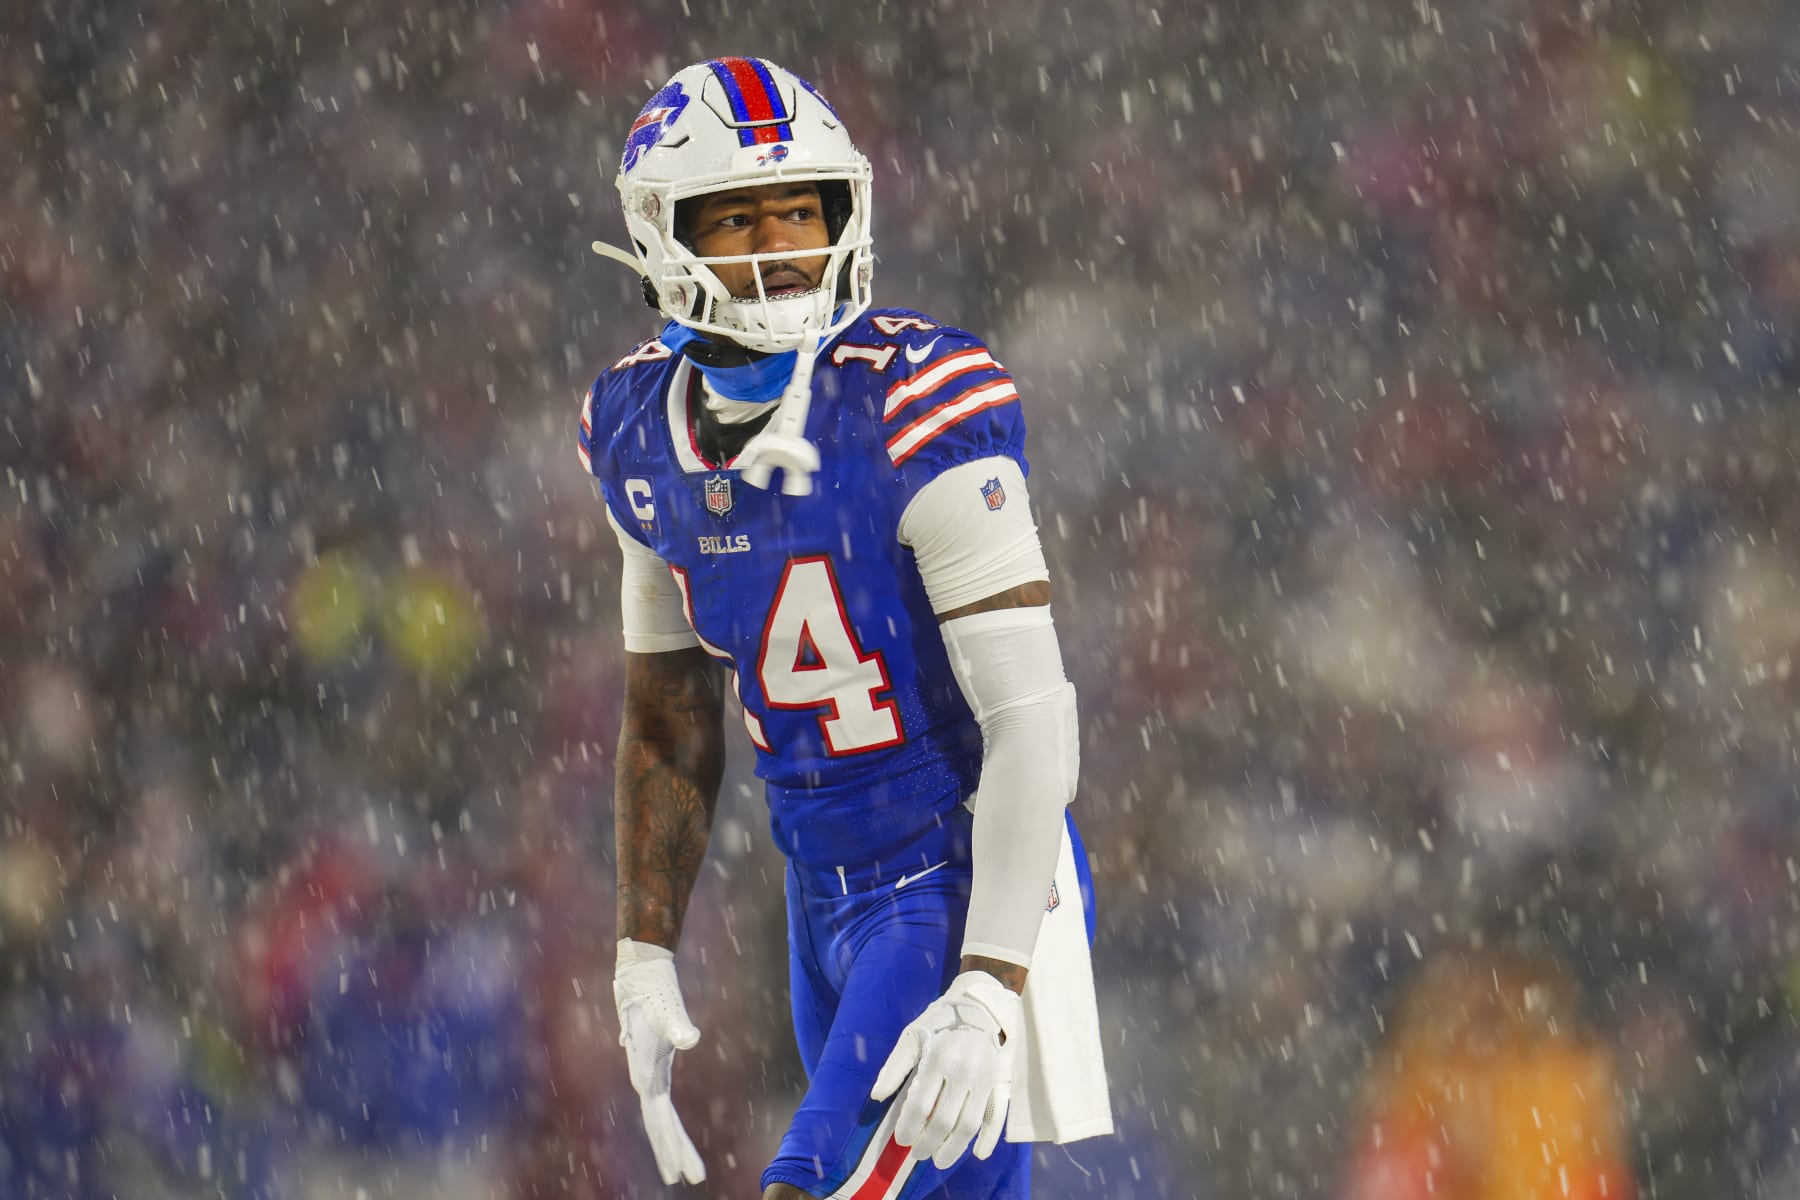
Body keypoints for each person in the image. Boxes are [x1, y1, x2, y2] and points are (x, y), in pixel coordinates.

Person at [576, 58, 1112, 1199]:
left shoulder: (915, 399)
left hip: (952, 878)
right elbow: (669, 713)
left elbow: (1033, 722)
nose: (781, 246)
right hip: (816, 890)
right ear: (663, 234)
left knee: (814, 1185)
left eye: (801, 211)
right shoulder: (634, 428)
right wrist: (642, 952)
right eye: (738, 219)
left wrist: (987, 984)